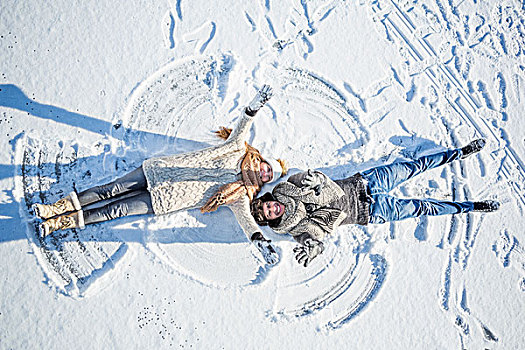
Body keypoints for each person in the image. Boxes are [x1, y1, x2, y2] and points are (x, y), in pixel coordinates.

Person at [33, 85, 287, 265]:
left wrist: (259, 242)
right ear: (262, 159)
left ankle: (57, 223)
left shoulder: (241, 196)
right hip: (159, 171)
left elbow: (247, 222)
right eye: (267, 167)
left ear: (264, 182)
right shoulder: (236, 148)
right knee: (109, 191)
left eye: (267, 177)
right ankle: (53, 209)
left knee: (114, 211)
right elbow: (244, 123)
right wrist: (257, 104)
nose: (264, 173)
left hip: (162, 202)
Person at [251, 139, 500, 267]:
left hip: (366, 183)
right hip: (371, 212)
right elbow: (314, 240)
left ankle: (459, 153)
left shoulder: (289, 187)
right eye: (269, 214)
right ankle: (471, 207)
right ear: (272, 220)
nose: (272, 209)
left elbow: (313, 177)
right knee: (423, 207)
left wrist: (316, 178)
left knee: (414, 168)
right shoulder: (295, 230)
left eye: (268, 205)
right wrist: (314, 248)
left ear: (270, 199)